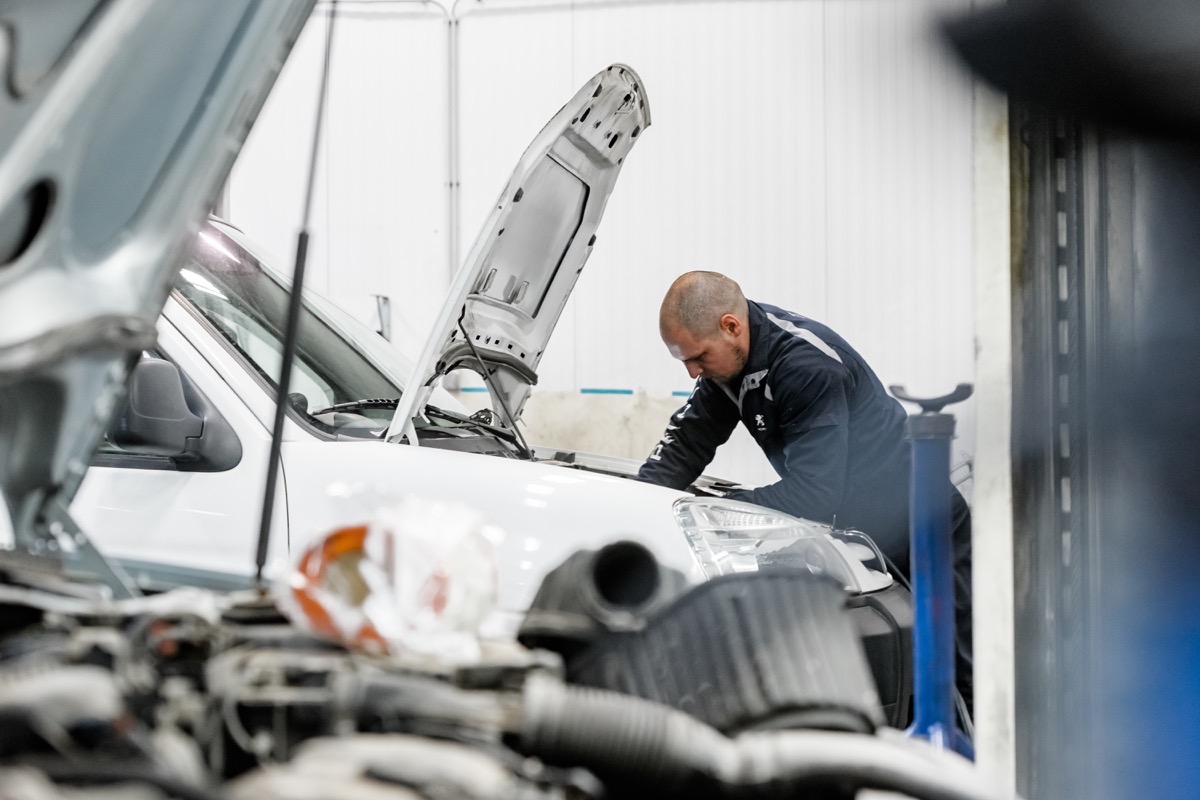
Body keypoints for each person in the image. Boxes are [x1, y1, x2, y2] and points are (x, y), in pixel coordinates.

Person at [636, 270, 974, 717]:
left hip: (924, 526)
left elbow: (814, 496)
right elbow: (684, 448)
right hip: (868, 525)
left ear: (731, 326)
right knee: (901, 676)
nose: (692, 371)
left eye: (697, 356)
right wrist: (637, 506)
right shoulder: (730, 366)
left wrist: (714, 512)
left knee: (955, 669)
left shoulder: (803, 365)